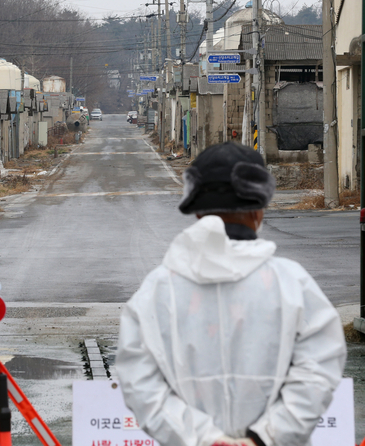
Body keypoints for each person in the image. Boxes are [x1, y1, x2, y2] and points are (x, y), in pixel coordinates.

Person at [116, 142, 347, 446]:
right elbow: (319, 368)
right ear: (259, 210)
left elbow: (139, 383)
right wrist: (264, 436)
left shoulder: (158, 290)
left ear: (197, 211)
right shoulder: (291, 283)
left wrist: (205, 439)